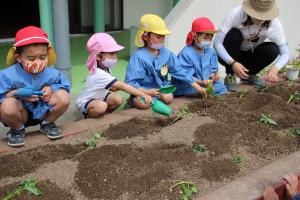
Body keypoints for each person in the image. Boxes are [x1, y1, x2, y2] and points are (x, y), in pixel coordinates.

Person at [0, 26, 70, 147]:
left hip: (44, 111)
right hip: (21, 114)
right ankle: (17, 130)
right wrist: (16, 93)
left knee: (63, 96)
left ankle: (47, 124)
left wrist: (51, 89)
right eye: (31, 58)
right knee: (7, 106)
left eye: (42, 57)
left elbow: (64, 85)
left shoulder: (52, 73)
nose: (38, 61)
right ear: (18, 58)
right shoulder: (7, 75)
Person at [125, 14, 207, 109]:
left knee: (168, 98)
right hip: (143, 90)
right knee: (143, 104)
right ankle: (133, 101)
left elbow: (179, 71)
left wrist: (197, 86)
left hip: (160, 88)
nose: (162, 40)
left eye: (163, 37)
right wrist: (146, 92)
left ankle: (154, 100)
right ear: (145, 37)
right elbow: (130, 83)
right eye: (158, 37)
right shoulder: (138, 57)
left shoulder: (166, 53)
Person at [213, 0, 289, 91]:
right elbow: (217, 42)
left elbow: (285, 53)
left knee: (272, 49)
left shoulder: (275, 24)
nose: (260, 18)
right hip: (231, 55)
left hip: (250, 56)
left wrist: (276, 68)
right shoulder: (236, 14)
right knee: (234, 34)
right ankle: (230, 75)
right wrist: (232, 63)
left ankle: (248, 75)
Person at [75, 33, 152, 118]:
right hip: (87, 101)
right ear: (98, 56)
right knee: (101, 106)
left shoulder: (106, 68)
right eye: (111, 54)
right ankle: (88, 117)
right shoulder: (98, 73)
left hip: (100, 97)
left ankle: (104, 115)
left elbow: (114, 88)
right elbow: (121, 85)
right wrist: (142, 94)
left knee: (118, 99)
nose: (115, 57)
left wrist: (120, 88)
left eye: (115, 53)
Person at [175, 17, 227, 97]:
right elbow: (185, 75)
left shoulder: (211, 51)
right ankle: (199, 93)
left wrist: (213, 75)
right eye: (205, 38)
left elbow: (213, 69)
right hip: (190, 83)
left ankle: (203, 92)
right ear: (195, 36)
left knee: (220, 87)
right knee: (191, 88)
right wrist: (200, 82)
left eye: (210, 38)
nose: (208, 41)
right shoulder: (186, 53)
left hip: (206, 82)